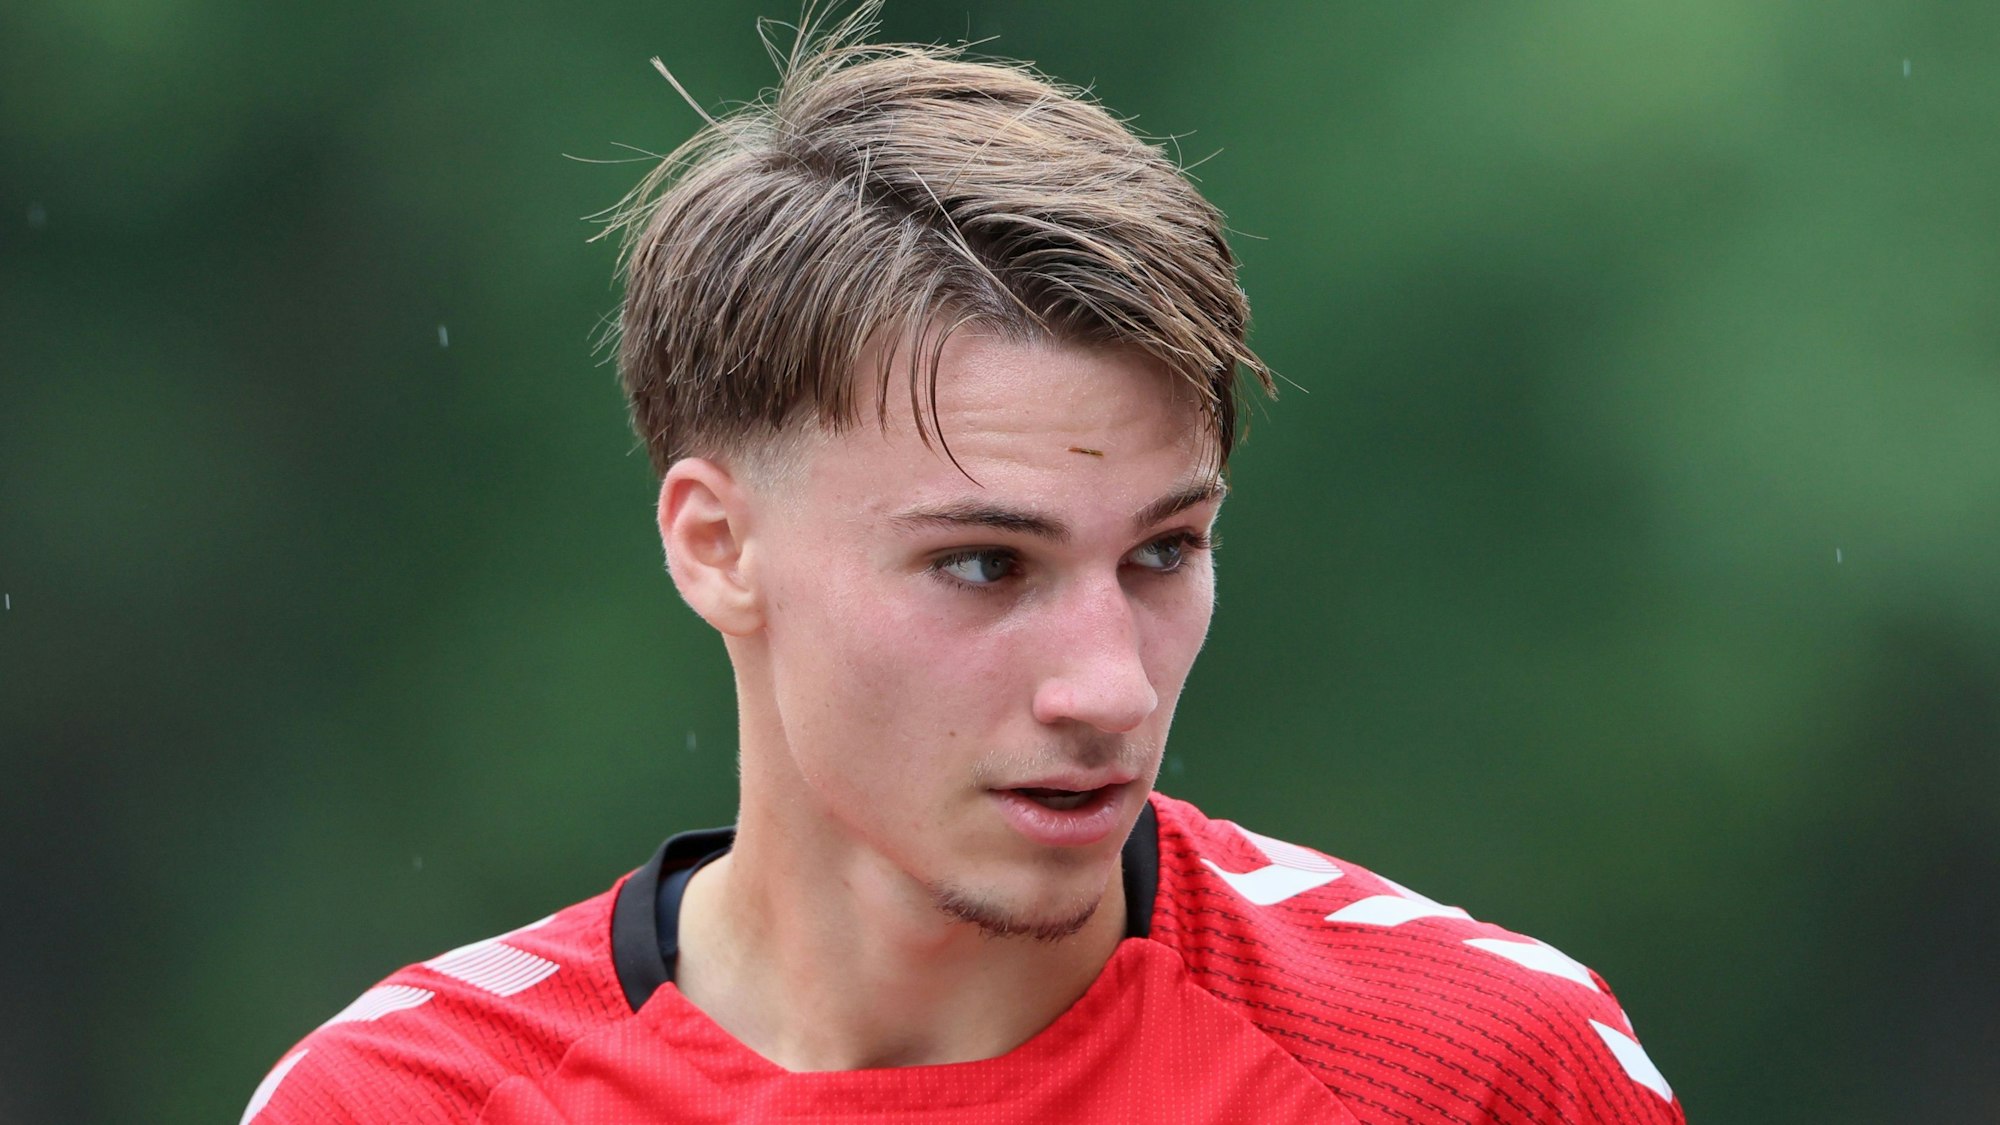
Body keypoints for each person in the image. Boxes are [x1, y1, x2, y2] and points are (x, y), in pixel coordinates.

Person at [241, 9, 1685, 1123]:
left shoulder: (1473, 1069)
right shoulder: (404, 1101)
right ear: (714, 544)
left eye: (1165, 551)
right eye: (987, 564)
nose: (1107, 685)